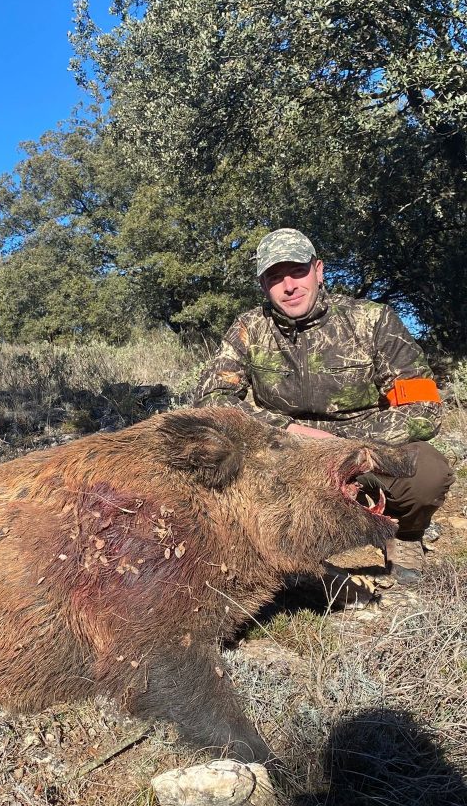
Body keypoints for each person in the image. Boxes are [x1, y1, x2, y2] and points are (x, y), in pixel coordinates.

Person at [194, 228, 454, 586]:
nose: (289, 286)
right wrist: (287, 432)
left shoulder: (372, 320)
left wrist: (346, 444)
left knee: (427, 472)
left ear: (318, 270)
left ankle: (404, 535)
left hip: (364, 446)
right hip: (286, 451)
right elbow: (210, 399)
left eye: (298, 272)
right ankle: (280, 556)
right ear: (263, 285)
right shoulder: (248, 328)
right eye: (274, 277)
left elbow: (423, 407)